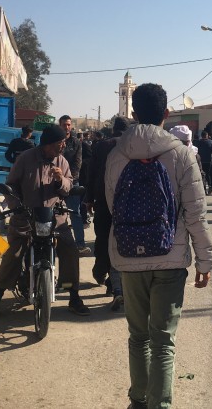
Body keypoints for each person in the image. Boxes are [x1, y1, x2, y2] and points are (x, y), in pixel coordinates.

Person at [104, 83, 212, 409]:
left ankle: (138, 400)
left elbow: (113, 205)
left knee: (138, 337)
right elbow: (196, 213)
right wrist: (204, 262)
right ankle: (160, 405)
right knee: (163, 341)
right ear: (166, 114)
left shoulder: (115, 154)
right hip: (171, 257)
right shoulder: (180, 154)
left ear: (134, 114)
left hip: (128, 256)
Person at [0, 124, 90, 316]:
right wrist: (16, 207)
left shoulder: (62, 162)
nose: (62, 147)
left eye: (63, 143)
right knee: (14, 253)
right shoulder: (25, 159)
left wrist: (61, 180)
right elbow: (10, 186)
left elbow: (69, 186)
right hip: (25, 216)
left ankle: (73, 295)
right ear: (46, 144)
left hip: (54, 218)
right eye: (58, 144)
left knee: (69, 249)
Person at [85, 116, 130, 310]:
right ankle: (116, 284)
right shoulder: (133, 146)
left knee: (103, 238)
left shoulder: (101, 146)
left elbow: (91, 173)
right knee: (122, 242)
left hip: (103, 200)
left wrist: (88, 199)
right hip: (128, 203)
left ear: (113, 130)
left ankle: (103, 272)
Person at [59, 115, 90, 256]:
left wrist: (68, 179)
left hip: (72, 182)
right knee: (56, 214)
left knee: (75, 213)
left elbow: (78, 163)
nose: (67, 127)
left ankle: (80, 244)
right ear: (60, 125)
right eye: (64, 125)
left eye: (68, 125)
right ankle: (56, 243)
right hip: (55, 182)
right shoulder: (55, 141)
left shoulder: (76, 142)